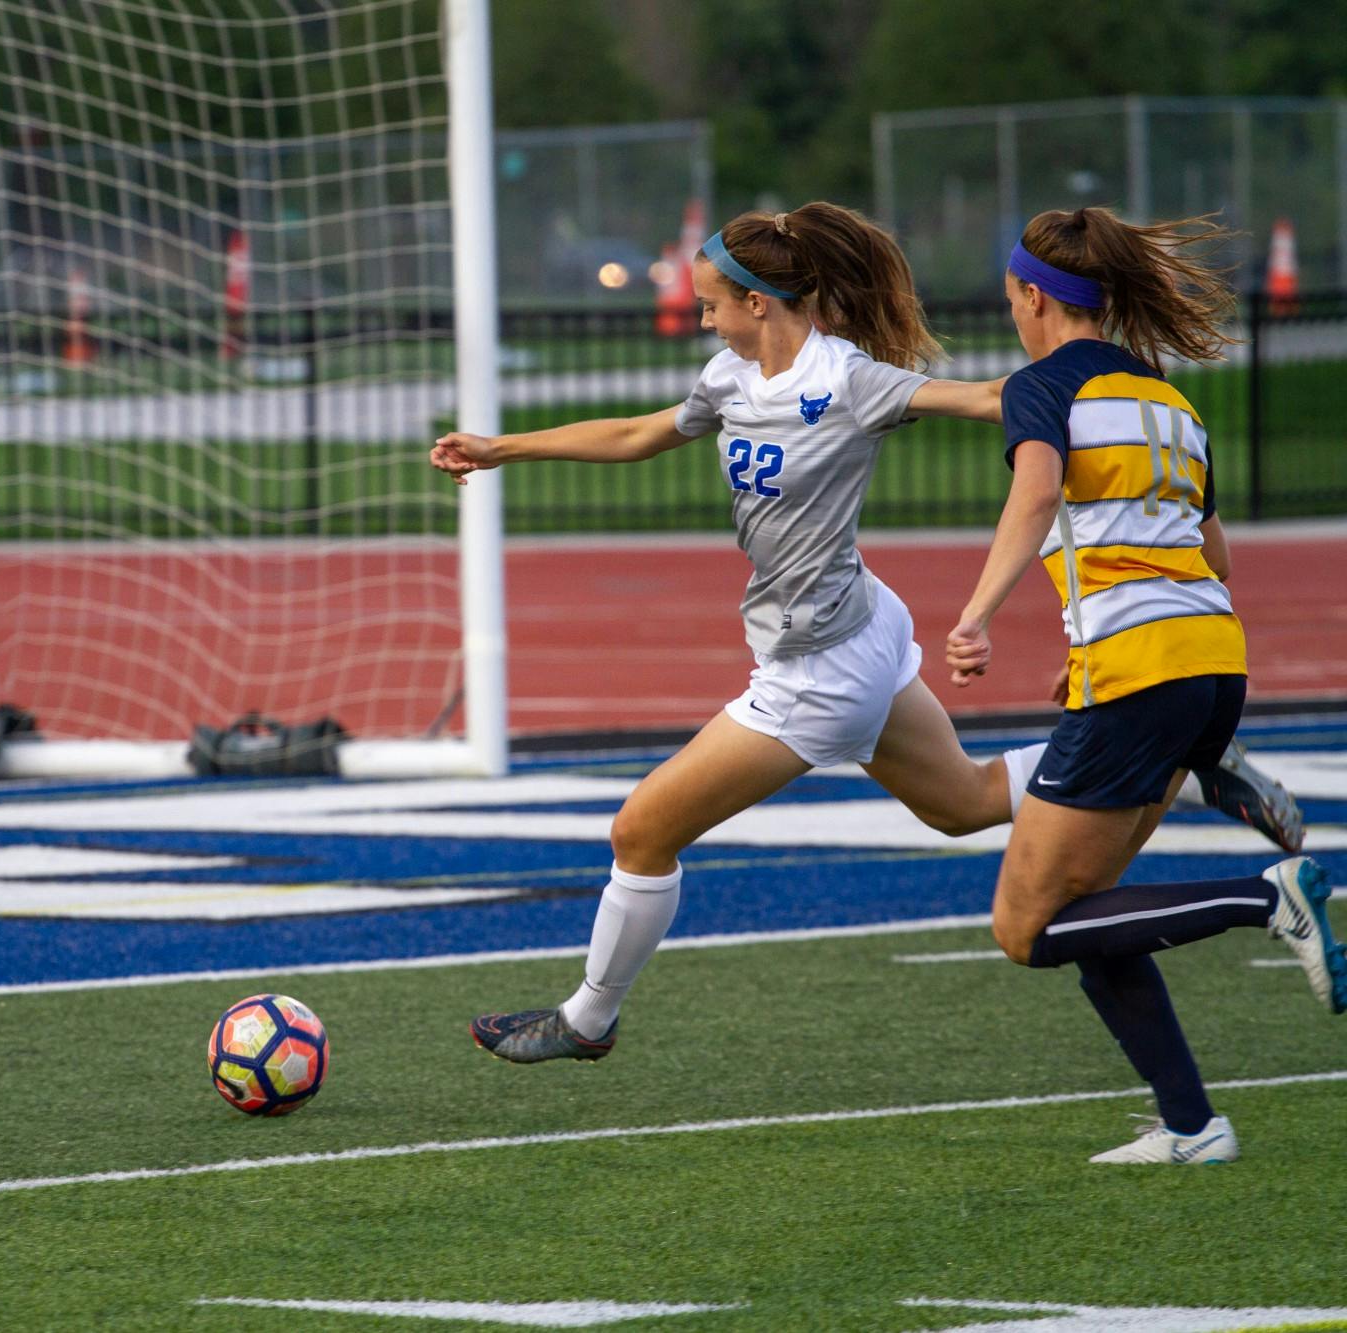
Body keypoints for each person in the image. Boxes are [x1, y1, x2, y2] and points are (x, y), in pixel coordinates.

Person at [428, 203, 1302, 1071]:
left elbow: (986, 396)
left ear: (758, 303)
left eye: (711, 305)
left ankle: (588, 1017)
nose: (701, 318)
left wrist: (1090, 385)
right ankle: (1175, 770)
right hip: (862, 626)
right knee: (961, 802)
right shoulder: (730, 378)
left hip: (820, 673)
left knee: (640, 831)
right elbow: (636, 432)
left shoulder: (845, 378)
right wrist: (503, 448)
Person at [946, 207, 1345, 1165]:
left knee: (1027, 926)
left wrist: (977, 614)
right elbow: (1210, 549)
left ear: (1033, 297)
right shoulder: (1167, 397)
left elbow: (1037, 493)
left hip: (1140, 674)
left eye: (1011, 301)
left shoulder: (1041, 388)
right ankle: (1191, 1125)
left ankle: (1268, 896)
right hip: (1211, 661)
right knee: (1093, 909)